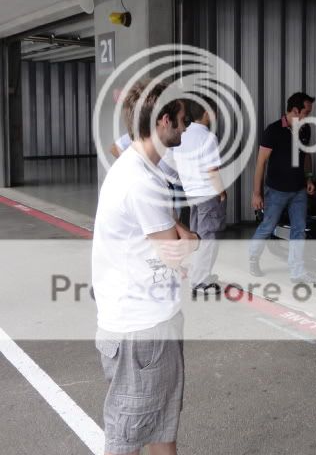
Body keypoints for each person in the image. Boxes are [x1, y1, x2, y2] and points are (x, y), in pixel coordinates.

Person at [92, 81, 199, 455]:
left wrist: (177, 235)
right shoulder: (140, 180)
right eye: (183, 120)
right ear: (164, 120)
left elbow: (165, 231)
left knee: (161, 427)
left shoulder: (138, 167)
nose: (186, 128)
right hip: (141, 333)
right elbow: (177, 250)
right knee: (126, 437)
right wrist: (190, 241)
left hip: (151, 322)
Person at [249, 92, 316, 283]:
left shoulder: (305, 129)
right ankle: (253, 257)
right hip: (277, 191)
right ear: (295, 110)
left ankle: (297, 272)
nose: (309, 116)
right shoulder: (274, 130)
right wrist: (257, 193)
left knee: (299, 229)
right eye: (307, 111)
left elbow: (306, 155)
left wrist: (309, 178)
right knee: (267, 226)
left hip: (299, 191)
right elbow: (261, 162)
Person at [173, 99, 226, 296]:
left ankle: (198, 275)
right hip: (207, 192)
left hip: (191, 193)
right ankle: (201, 281)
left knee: (198, 235)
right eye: (215, 111)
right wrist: (221, 191)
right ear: (206, 113)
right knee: (209, 236)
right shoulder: (207, 137)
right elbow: (212, 169)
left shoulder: (183, 135)